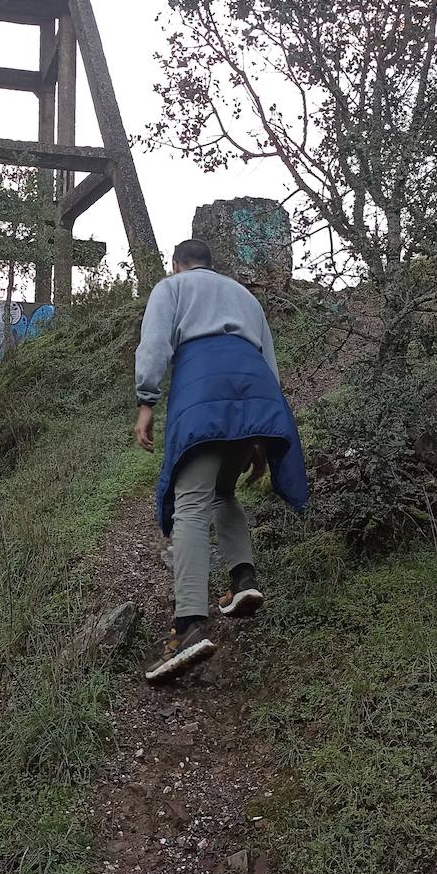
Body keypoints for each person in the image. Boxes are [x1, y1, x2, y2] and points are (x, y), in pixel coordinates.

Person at [133, 238, 307, 682]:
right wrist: (260, 436)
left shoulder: (172, 288)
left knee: (191, 502)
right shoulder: (244, 296)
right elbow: (268, 360)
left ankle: (190, 625)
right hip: (254, 392)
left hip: (204, 386)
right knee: (223, 492)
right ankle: (243, 580)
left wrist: (146, 401)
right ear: (212, 264)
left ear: (177, 265)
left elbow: (155, 342)